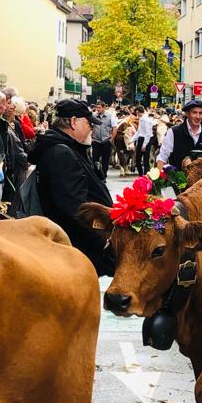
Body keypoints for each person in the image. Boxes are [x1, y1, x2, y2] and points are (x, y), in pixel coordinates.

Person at [28, 98, 114, 275]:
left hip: (73, 246)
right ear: (74, 122)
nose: (92, 127)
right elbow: (72, 209)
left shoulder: (67, 148)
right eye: (89, 123)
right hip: (75, 249)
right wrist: (102, 244)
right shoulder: (61, 152)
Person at [157, 100, 202, 172]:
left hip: (200, 181)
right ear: (187, 114)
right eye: (194, 112)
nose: (198, 116)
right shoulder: (174, 132)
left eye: (201, 113)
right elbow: (162, 157)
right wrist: (158, 178)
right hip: (177, 180)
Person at [134, 105, 155, 176]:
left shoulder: (146, 120)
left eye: (137, 112)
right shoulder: (141, 119)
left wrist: (144, 145)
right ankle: (141, 174)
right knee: (138, 159)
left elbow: (148, 134)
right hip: (141, 138)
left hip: (146, 139)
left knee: (146, 159)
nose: (136, 114)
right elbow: (139, 131)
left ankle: (146, 175)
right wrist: (132, 140)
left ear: (138, 112)